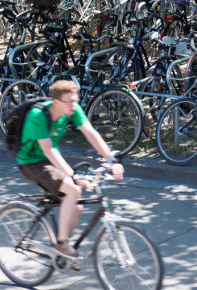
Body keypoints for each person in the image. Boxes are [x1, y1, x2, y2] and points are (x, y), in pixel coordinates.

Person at [16, 80, 125, 266]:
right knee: (72, 189)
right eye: (69, 102)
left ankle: (64, 244)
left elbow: (91, 133)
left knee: (76, 205)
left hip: (50, 159)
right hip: (31, 162)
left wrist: (110, 160)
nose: (73, 105)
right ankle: (61, 244)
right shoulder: (38, 115)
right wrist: (73, 175)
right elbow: (49, 150)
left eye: (75, 100)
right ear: (56, 101)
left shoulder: (71, 110)